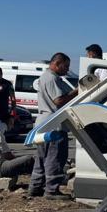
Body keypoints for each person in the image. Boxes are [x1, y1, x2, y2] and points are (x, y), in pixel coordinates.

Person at [29, 53, 77, 199]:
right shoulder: (52, 78)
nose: (67, 69)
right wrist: (77, 93)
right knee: (54, 158)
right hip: (53, 125)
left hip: (43, 124)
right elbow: (59, 100)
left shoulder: (45, 77)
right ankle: (51, 190)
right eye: (66, 66)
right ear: (57, 63)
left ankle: (35, 187)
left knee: (42, 158)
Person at [0, 67, 16, 132]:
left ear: (1, 74)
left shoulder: (7, 84)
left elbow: (13, 99)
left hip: (2, 113)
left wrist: (12, 114)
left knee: (0, 133)